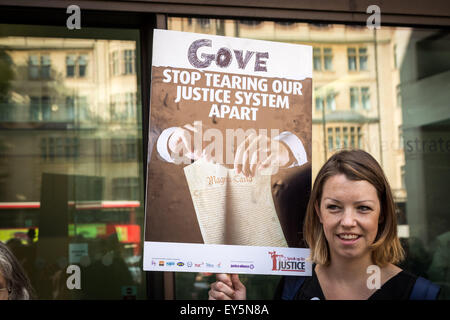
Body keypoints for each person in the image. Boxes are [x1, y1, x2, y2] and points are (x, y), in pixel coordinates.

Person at [209, 149, 441, 300]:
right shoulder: (294, 286)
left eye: (363, 208)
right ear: (318, 211)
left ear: (381, 214)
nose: (348, 222)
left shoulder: (419, 295)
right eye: (334, 207)